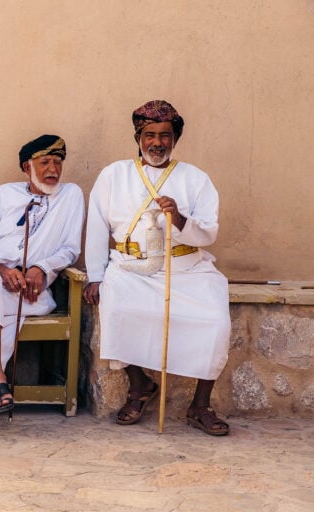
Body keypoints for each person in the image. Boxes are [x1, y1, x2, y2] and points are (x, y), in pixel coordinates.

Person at [83, 100, 231, 436]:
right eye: (149, 134)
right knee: (116, 305)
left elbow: (209, 232)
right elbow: (96, 227)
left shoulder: (196, 179)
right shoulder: (113, 175)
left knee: (216, 321)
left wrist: (178, 218)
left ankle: (200, 405)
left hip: (186, 267)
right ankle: (139, 386)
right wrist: (94, 275)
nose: (157, 143)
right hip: (132, 267)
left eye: (165, 135)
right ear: (138, 137)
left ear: (175, 139)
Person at [0, 135, 85, 429]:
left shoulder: (71, 195)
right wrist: (2, 268)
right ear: (27, 167)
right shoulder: (4, 194)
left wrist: (41, 267)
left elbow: (70, 248)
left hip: (30, 291)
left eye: (57, 162)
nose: (53, 168)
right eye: (45, 162)